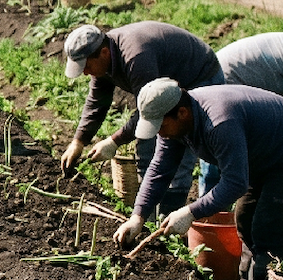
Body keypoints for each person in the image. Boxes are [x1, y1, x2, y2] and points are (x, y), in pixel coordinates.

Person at [114, 78, 283, 280]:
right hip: (261, 154)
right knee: (244, 219)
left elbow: (235, 183)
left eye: (161, 126)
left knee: (267, 229)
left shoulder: (219, 122)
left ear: (181, 113)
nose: (160, 133)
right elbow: (160, 168)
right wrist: (138, 216)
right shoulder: (174, 125)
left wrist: (191, 212)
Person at [59, 22, 224, 216]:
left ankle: (172, 217)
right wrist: (78, 141)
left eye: (86, 66)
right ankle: (150, 214)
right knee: (147, 148)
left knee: (180, 146)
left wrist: (114, 141)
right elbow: (98, 101)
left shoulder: (136, 57)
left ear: (103, 53)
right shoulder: (104, 60)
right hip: (163, 87)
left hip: (198, 79)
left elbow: (148, 112)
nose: (85, 72)